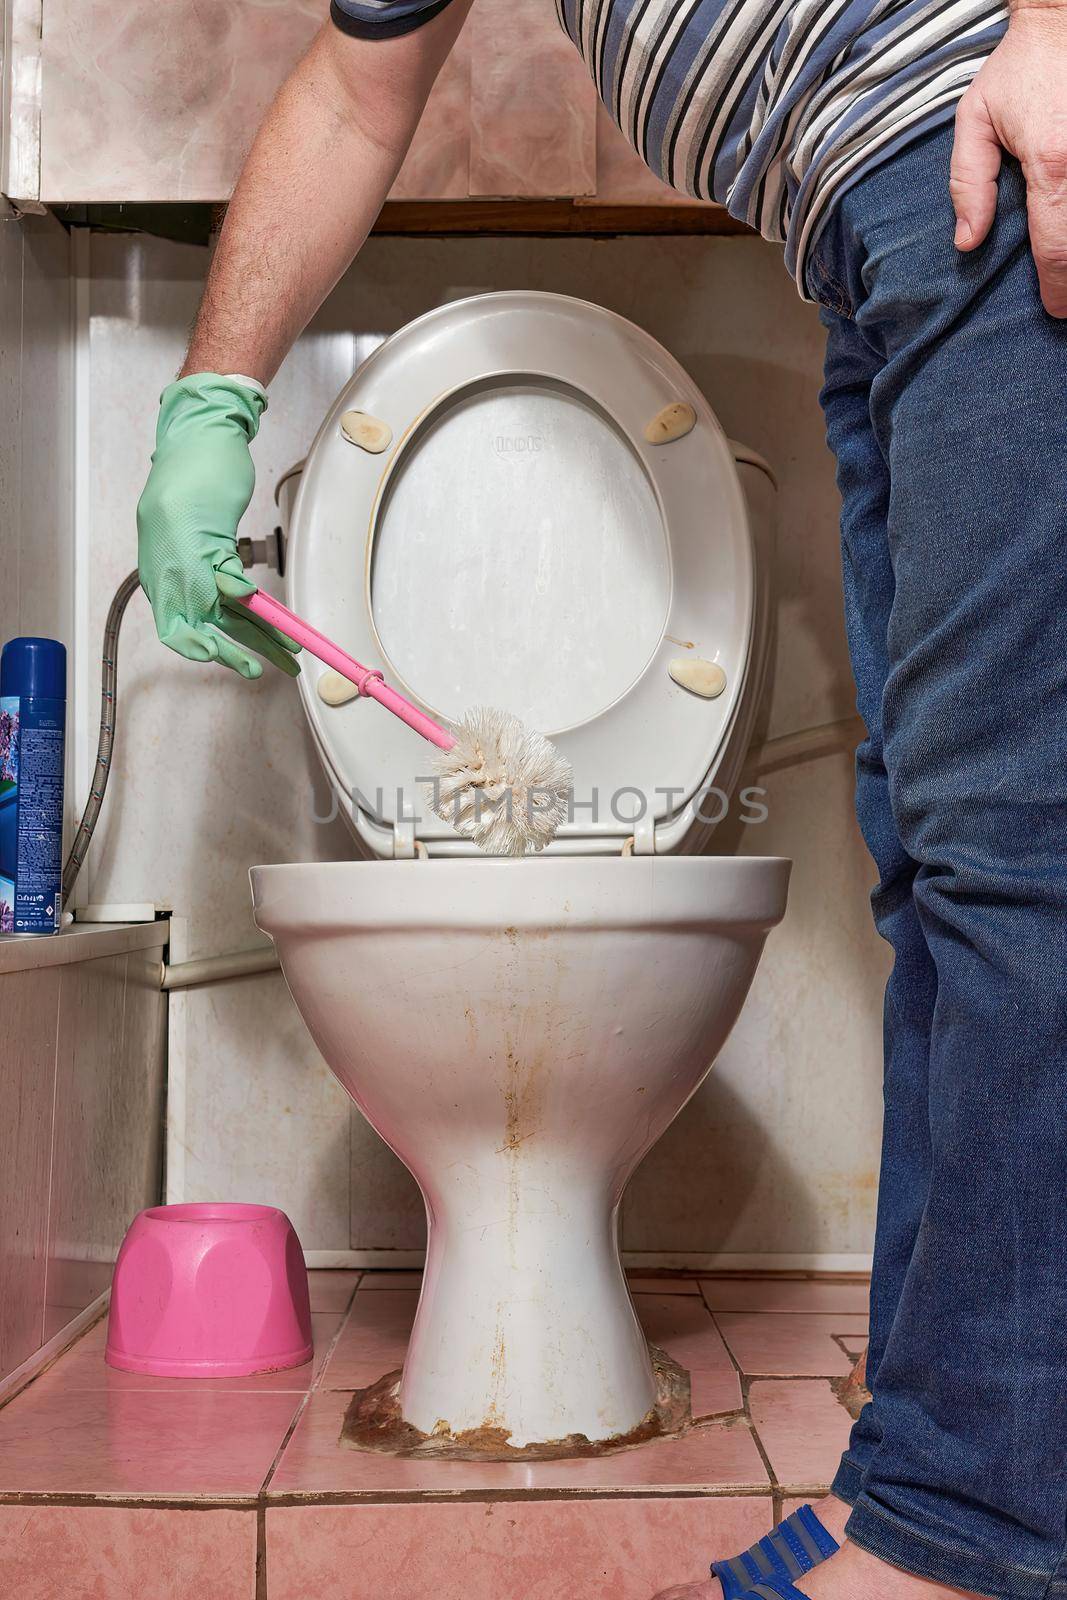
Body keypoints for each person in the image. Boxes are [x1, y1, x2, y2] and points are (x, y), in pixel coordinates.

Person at [136, 5, 1067, 1598]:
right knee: (942, 873)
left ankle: (978, 1534)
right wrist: (209, 406)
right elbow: (361, 96)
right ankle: (928, 1474)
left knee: (1017, 857)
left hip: (972, 155)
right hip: (869, 228)